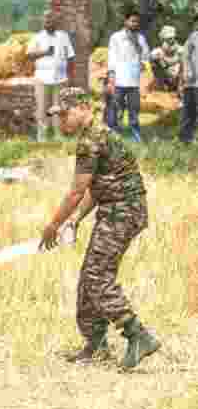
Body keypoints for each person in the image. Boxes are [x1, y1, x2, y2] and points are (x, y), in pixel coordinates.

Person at [39, 89, 161, 370]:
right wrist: (77, 219)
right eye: (59, 117)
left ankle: (138, 335)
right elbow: (97, 186)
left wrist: (53, 225)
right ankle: (95, 344)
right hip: (117, 209)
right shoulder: (98, 134)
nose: (62, 123)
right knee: (90, 275)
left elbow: (76, 191)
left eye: (65, 115)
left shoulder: (91, 140)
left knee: (97, 276)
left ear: (83, 107)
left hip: (122, 212)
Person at [26, 11, 76, 141]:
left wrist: (70, 76)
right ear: (43, 21)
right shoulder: (37, 37)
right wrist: (45, 52)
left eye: (51, 19)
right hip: (42, 78)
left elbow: (70, 56)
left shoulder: (63, 36)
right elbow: (29, 55)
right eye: (46, 19)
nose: (48, 21)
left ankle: (58, 135)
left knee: (58, 108)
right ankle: (42, 137)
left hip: (61, 79)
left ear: (56, 22)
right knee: (42, 108)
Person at [106, 11, 150, 143]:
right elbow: (111, 58)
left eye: (137, 22)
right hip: (119, 79)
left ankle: (134, 132)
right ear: (126, 21)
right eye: (132, 21)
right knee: (115, 107)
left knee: (134, 108)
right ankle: (113, 132)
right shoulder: (116, 37)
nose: (135, 24)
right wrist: (111, 76)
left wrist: (137, 45)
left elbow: (146, 56)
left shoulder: (141, 38)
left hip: (134, 81)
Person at [149, 26, 183, 92]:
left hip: (178, 79)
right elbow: (153, 62)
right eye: (167, 39)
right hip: (164, 79)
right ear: (162, 39)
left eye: (172, 38)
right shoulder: (157, 52)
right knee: (155, 59)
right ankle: (160, 85)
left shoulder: (181, 50)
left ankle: (179, 87)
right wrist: (161, 59)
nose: (170, 40)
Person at [180, 24, 198, 144]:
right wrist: (187, 72)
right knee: (189, 111)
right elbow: (185, 55)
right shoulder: (194, 36)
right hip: (192, 82)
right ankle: (186, 138)